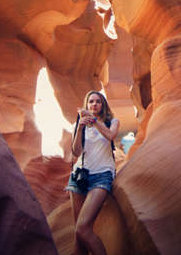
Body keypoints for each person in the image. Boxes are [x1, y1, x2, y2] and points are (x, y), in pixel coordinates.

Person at [65, 90, 119, 255]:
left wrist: (93, 120)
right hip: (79, 176)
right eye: (91, 101)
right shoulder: (78, 124)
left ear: (103, 105)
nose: (94, 104)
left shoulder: (112, 122)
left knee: (83, 228)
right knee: (78, 235)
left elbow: (110, 135)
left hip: (102, 175)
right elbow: (76, 152)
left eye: (98, 101)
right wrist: (80, 128)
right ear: (86, 104)